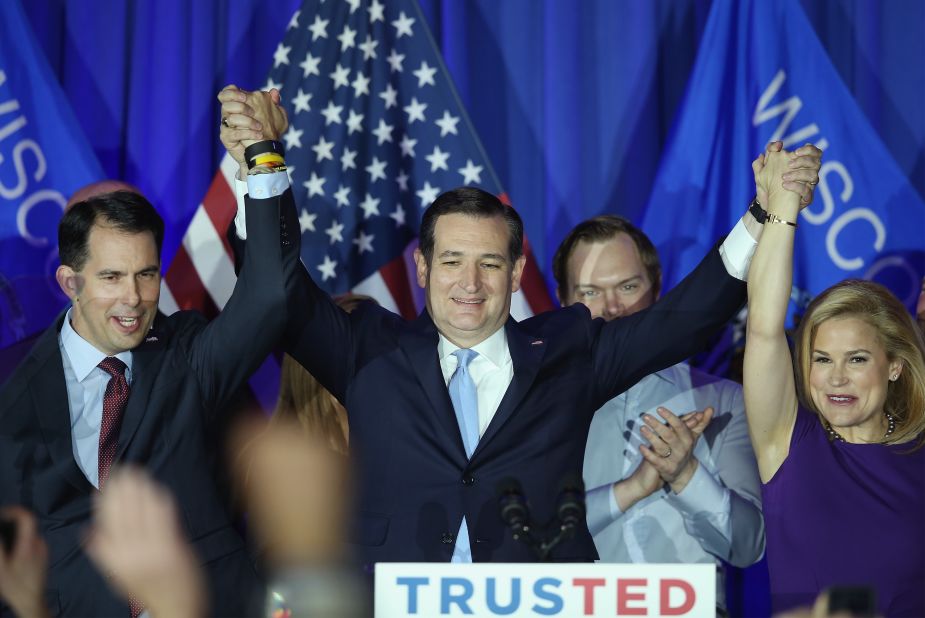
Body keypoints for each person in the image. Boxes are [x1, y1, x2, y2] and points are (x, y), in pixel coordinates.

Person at [219, 86, 821, 568]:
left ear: (517, 272)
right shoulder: (368, 347)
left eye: (490, 264)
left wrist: (764, 214)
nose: (470, 283)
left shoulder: (567, 350)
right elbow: (277, 289)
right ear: (423, 268)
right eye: (452, 261)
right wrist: (263, 160)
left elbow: (683, 320)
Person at [0, 92, 300, 615]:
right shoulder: (13, 388)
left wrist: (263, 157)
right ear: (69, 281)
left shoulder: (186, 352)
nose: (134, 298)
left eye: (146, 275)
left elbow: (270, 294)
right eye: (112, 277)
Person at [744, 148, 925, 615]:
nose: (837, 378)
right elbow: (764, 326)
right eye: (822, 358)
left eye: (857, 358)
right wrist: (784, 207)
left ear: (894, 365)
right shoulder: (788, 440)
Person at [552, 213, 766, 609]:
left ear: (659, 289)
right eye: (590, 293)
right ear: (563, 301)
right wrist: (629, 491)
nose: (613, 309)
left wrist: (687, 477)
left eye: (628, 286)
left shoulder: (721, 401)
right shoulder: (536, 404)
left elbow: (747, 547)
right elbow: (525, 533)